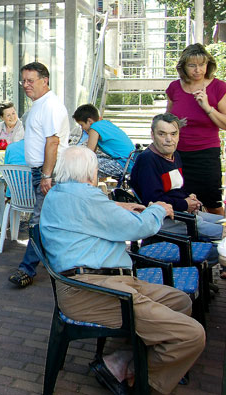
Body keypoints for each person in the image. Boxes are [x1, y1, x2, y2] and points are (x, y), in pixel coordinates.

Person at [40, 145, 205, 395]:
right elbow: (140, 228)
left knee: (179, 301)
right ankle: (143, 380)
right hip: (95, 290)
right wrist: (159, 208)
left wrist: (117, 206)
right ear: (90, 173)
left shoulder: (59, 193)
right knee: (192, 335)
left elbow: (91, 214)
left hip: (99, 283)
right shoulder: (86, 197)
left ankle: (120, 360)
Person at [7, 61, 70, 288]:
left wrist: (46, 175)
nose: (25, 85)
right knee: (49, 221)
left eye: (30, 81)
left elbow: (53, 142)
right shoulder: (40, 104)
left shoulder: (50, 106)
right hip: (42, 171)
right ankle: (60, 264)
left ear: (45, 81)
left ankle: (27, 269)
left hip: (48, 172)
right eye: (23, 81)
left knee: (37, 222)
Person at [130, 113, 224, 241]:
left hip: (181, 212)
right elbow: (152, 200)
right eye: (162, 134)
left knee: (222, 221)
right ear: (152, 135)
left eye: (173, 134)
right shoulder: (148, 160)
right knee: (222, 232)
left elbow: (175, 189)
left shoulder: (175, 155)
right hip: (162, 219)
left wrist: (188, 197)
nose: (169, 139)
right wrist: (184, 204)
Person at [166, 43, 226, 216]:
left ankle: (220, 238)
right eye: (192, 65)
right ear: (184, 67)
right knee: (181, 200)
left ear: (208, 65)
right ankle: (191, 239)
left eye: (202, 65)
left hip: (205, 154)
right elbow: (167, 118)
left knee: (211, 201)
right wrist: (175, 123)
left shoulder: (218, 87)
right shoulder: (174, 87)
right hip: (177, 155)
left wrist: (207, 107)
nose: (198, 70)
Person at [72, 104, 134, 179]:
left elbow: (89, 153)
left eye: (82, 125)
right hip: (130, 161)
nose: (82, 128)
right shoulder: (105, 123)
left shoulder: (94, 128)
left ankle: (85, 187)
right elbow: (93, 153)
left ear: (89, 121)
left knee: (83, 164)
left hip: (123, 164)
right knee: (92, 159)